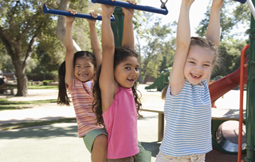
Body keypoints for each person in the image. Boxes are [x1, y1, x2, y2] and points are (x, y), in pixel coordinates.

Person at [156, 0, 223, 161]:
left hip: (198, 155)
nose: (198, 69)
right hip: (174, 157)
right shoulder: (178, 84)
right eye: (192, 62)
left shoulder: (203, 84)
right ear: (182, 61)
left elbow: (213, 44)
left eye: (205, 65)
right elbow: (183, 44)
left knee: (210, 49)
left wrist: (216, 7)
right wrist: (185, 5)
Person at [92, 1, 148, 161]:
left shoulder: (127, 88)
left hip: (131, 156)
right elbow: (109, 48)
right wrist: (106, 15)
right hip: (117, 158)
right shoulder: (110, 90)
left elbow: (129, 50)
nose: (134, 72)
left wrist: (129, 17)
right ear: (112, 69)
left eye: (136, 68)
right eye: (128, 67)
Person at [57, 10, 107, 162]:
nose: (82, 69)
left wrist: (92, 25)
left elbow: (97, 50)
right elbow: (69, 50)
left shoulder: (98, 80)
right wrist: (68, 23)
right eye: (78, 66)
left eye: (87, 66)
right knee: (101, 140)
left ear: (95, 68)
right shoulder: (72, 83)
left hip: (108, 126)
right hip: (90, 130)